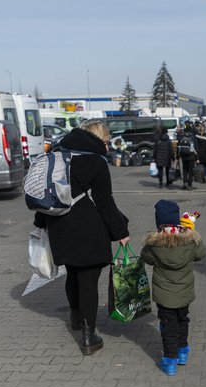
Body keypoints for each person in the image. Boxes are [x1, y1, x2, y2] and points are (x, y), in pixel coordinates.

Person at [33, 120, 130, 355]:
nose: (108, 148)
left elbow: (43, 192)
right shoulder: (95, 161)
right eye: (106, 142)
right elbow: (105, 202)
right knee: (88, 281)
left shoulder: (56, 155)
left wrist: (41, 224)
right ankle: (89, 336)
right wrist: (121, 233)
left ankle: (76, 318)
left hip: (59, 225)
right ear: (97, 139)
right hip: (89, 229)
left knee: (73, 274)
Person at [141, 200, 206, 376]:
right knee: (183, 319)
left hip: (164, 295)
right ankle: (182, 351)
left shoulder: (154, 244)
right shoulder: (188, 240)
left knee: (168, 325)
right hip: (184, 292)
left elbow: (145, 257)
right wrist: (193, 234)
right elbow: (201, 253)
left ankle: (170, 361)